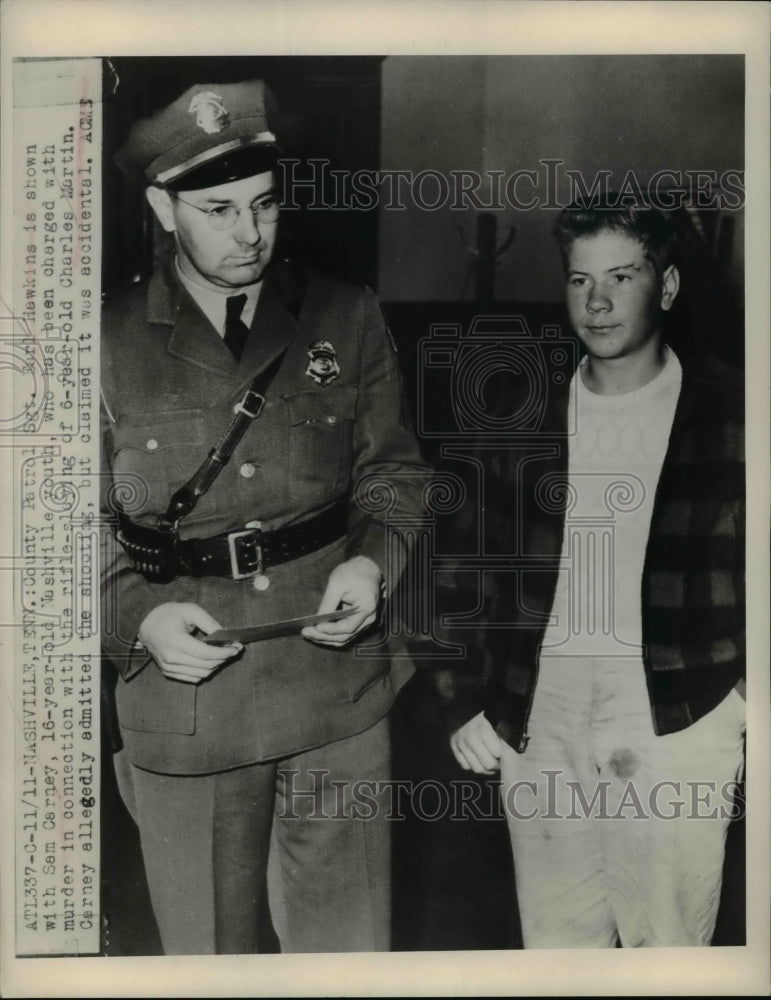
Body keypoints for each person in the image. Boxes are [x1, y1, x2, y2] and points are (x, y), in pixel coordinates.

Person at [100, 79, 430, 955]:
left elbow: (392, 477)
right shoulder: (101, 342)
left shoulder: (344, 315)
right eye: (217, 209)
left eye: (264, 205)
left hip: (337, 695)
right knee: (208, 961)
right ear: (161, 210)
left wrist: (372, 565)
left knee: (349, 957)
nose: (249, 234)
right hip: (188, 704)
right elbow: (52, 533)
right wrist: (140, 616)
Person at [449, 199, 745, 947]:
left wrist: (747, 699)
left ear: (667, 286)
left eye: (621, 276)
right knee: (556, 947)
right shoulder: (520, 410)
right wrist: (460, 695)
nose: (599, 301)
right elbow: (459, 561)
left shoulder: (734, 409)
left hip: (678, 705)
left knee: (667, 947)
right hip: (539, 703)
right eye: (580, 281)